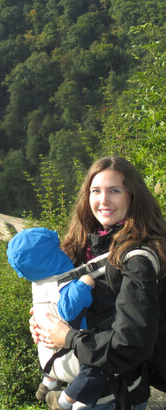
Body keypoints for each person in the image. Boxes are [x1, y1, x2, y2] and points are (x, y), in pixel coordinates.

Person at [29, 156, 166, 410]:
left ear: (133, 196)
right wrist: (44, 321)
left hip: (118, 396)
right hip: (92, 391)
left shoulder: (138, 259)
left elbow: (132, 341)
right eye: (96, 191)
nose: (103, 200)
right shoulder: (85, 246)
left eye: (114, 191)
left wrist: (67, 338)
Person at [7, 227, 107, 408]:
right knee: (95, 374)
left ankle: (48, 383)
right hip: (74, 357)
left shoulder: (39, 283)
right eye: (57, 248)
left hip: (50, 359)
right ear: (49, 257)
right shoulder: (61, 281)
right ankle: (63, 401)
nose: (62, 249)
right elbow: (69, 310)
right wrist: (84, 284)